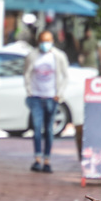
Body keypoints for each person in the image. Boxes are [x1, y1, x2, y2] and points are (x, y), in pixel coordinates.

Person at [23, 30, 69, 173]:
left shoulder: (59, 56)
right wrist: (29, 92)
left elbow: (65, 76)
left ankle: (47, 160)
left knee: (49, 130)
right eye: (43, 41)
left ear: (52, 41)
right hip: (36, 97)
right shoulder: (32, 56)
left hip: (51, 98)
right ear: (38, 42)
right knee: (37, 129)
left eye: (48, 41)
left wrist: (59, 94)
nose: (45, 44)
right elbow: (27, 74)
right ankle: (37, 159)